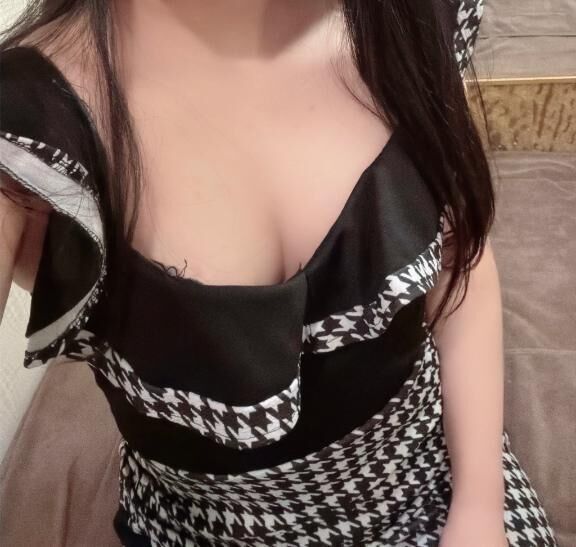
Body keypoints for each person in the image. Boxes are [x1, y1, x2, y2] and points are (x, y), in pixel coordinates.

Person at [0, 1, 558, 545]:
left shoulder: (406, 18)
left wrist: (479, 508)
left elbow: (461, 265)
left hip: (430, 473)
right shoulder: (24, 134)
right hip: (205, 525)